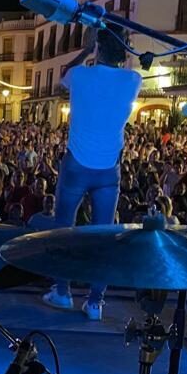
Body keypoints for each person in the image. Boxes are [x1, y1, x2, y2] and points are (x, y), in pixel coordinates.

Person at [42, 24, 142, 321]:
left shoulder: (80, 75)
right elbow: (125, 63)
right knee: (103, 236)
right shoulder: (133, 79)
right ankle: (96, 302)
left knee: (64, 229)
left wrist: (85, 49)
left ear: (97, 46)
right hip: (108, 169)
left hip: (76, 164)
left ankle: (62, 291)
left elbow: (63, 75)